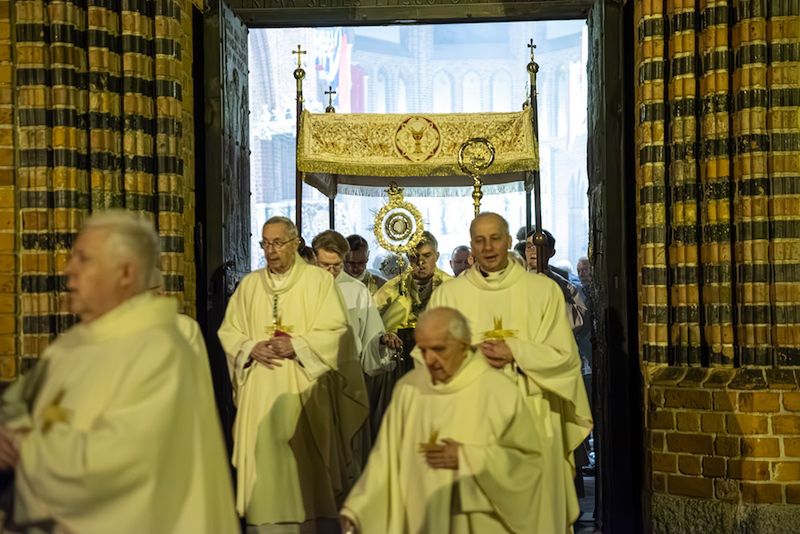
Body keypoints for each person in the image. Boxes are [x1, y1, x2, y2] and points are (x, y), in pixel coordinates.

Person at [0, 210, 238, 533]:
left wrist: (27, 449)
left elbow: (119, 461)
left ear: (126, 273)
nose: (69, 271)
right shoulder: (72, 344)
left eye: (84, 260)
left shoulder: (160, 351)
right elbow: (20, 403)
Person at [428, 212, 592, 533]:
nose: (488, 248)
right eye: (479, 240)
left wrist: (516, 351)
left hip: (532, 414)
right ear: (472, 246)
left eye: (495, 238)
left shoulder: (542, 291)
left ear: (507, 241)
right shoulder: (448, 296)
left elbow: (564, 357)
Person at [218, 216, 368, 533]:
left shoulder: (318, 283)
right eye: (265, 243)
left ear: (295, 243)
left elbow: (338, 333)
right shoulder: (249, 285)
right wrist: (249, 348)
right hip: (259, 395)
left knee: (307, 480)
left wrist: (298, 345)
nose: (270, 250)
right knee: (265, 475)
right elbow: (229, 332)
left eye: (277, 243)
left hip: (305, 394)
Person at [341, 308, 544, 534]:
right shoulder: (409, 389)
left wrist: (468, 457)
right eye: (423, 350)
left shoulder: (500, 392)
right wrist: (357, 509)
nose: (429, 360)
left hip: (479, 521)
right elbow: (385, 458)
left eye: (438, 349)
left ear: (463, 344)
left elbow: (528, 463)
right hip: (420, 518)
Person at [370, 232, 452, 435]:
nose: (421, 262)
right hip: (401, 361)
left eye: (427, 256)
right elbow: (370, 323)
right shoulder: (392, 289)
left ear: (437, 255)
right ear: (407, 258)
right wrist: (385, 335)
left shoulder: (452, 288)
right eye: (415, 257)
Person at [312, 230, 401, 376]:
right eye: (326, 264)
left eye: (337, 265)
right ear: (315, 258)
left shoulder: (357, 290)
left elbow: (369, 338)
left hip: (346, 372)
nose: (332, 271)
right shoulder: (301, 286)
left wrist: (381, 342)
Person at [525, 229, 588, 333]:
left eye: (540, 246)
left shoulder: (566, 287)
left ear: (551, 252)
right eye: (529, 247)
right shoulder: (514, 281)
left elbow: (578, 321)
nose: (534, 250)